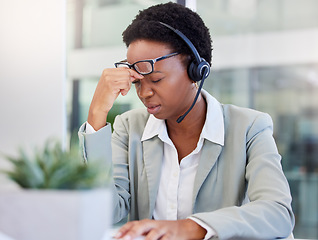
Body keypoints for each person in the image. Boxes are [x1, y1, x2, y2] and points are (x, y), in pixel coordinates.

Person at [78, 2, 294, 240]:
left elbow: (278, 213)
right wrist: (97, 114)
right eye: (138, 82)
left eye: (156, 79)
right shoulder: (129, 128)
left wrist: (190, 227)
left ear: (196, 71)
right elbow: (103, 212)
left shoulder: (249, 128)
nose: (143, 93)